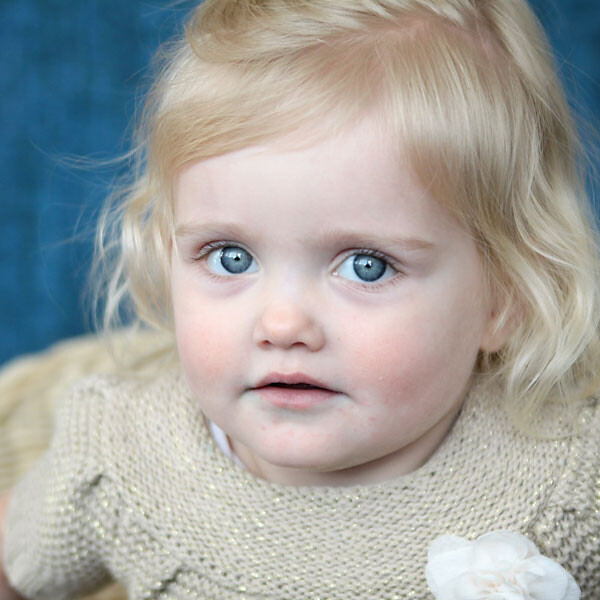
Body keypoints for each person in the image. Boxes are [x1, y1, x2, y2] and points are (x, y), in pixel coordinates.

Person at [1, 0, 599, 598]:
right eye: (230, 257)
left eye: (367, 266)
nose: (282, 323)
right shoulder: (117, 456)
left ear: (507, 296)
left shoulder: (572, 480)